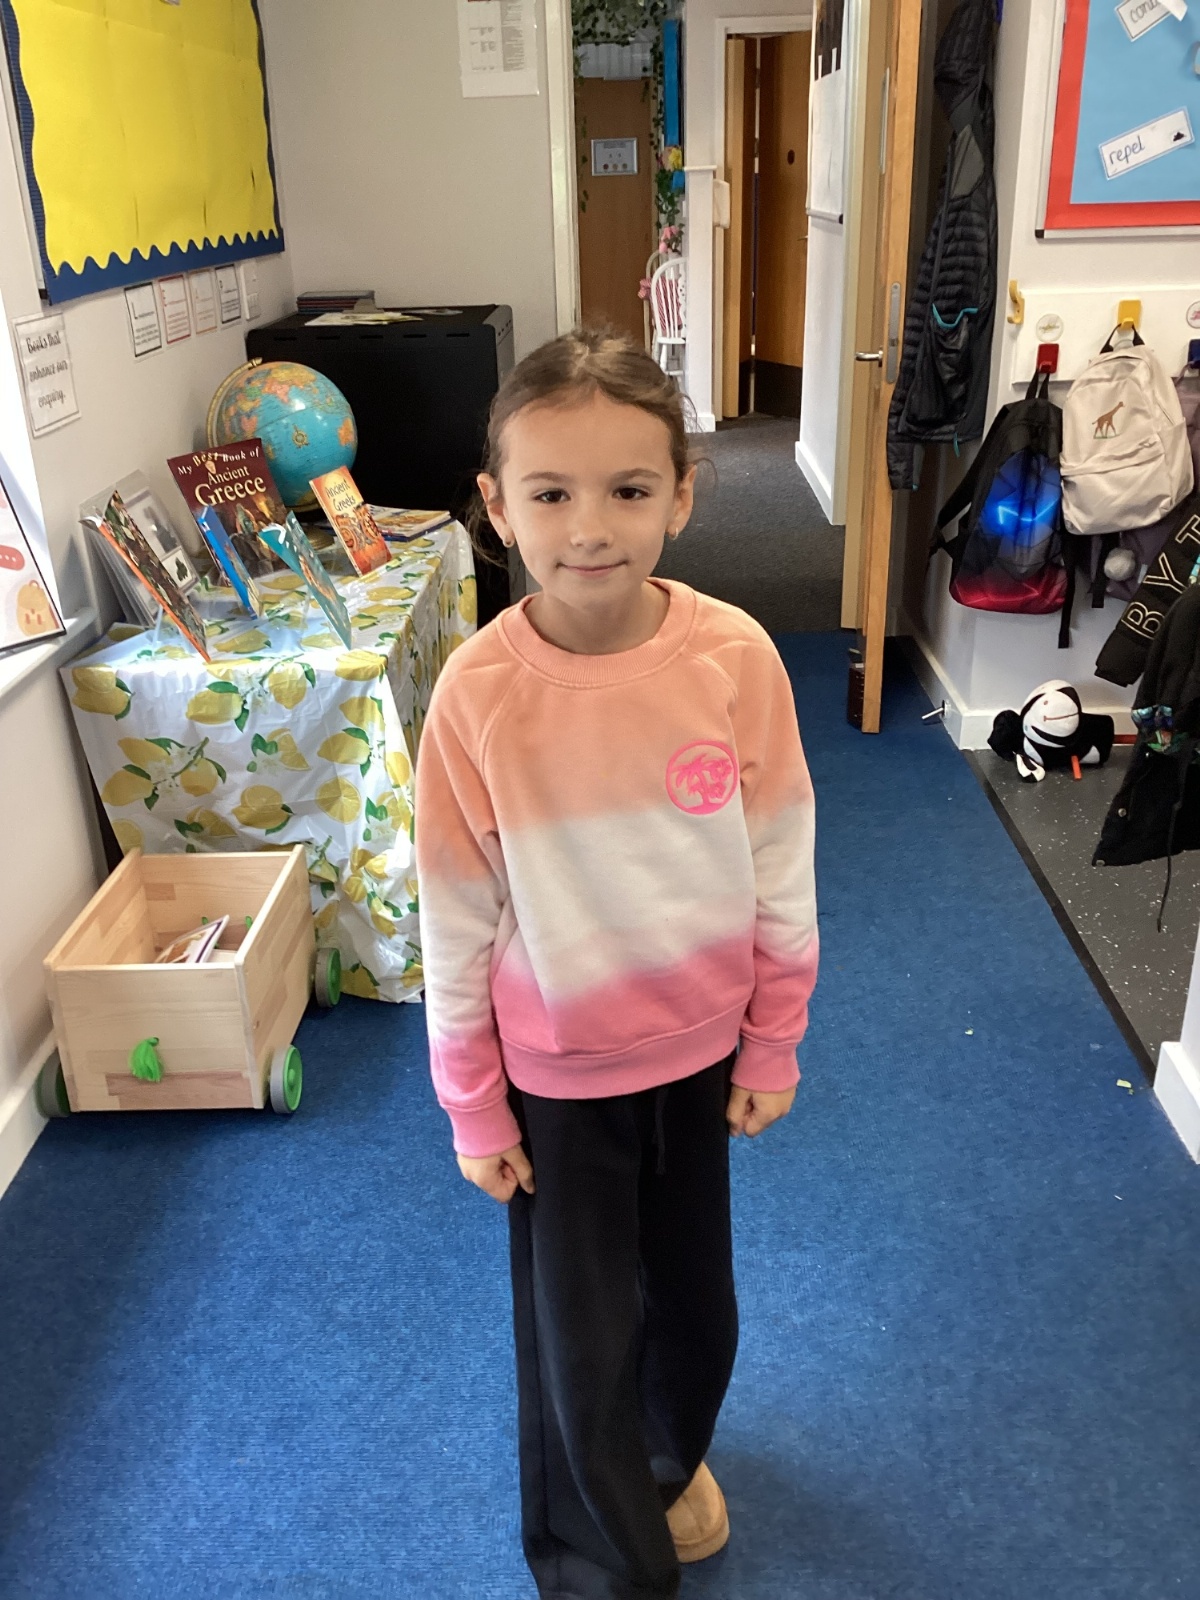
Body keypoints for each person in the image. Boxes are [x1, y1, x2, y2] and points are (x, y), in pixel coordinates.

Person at [415, 328, 818, 1600]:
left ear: (682, 495)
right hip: (557, 1077)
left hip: (699, 1054)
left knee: (698, 1310)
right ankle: (597, 1559)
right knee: (577, 1339)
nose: (590, 528)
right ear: (497, 507)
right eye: (550, 494)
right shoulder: (476, 693)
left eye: (629, 489)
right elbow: (452, 918)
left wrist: (773, 1037)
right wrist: (473, 1103)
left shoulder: (735, 657)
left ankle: (662, 1457)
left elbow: (781, 860)